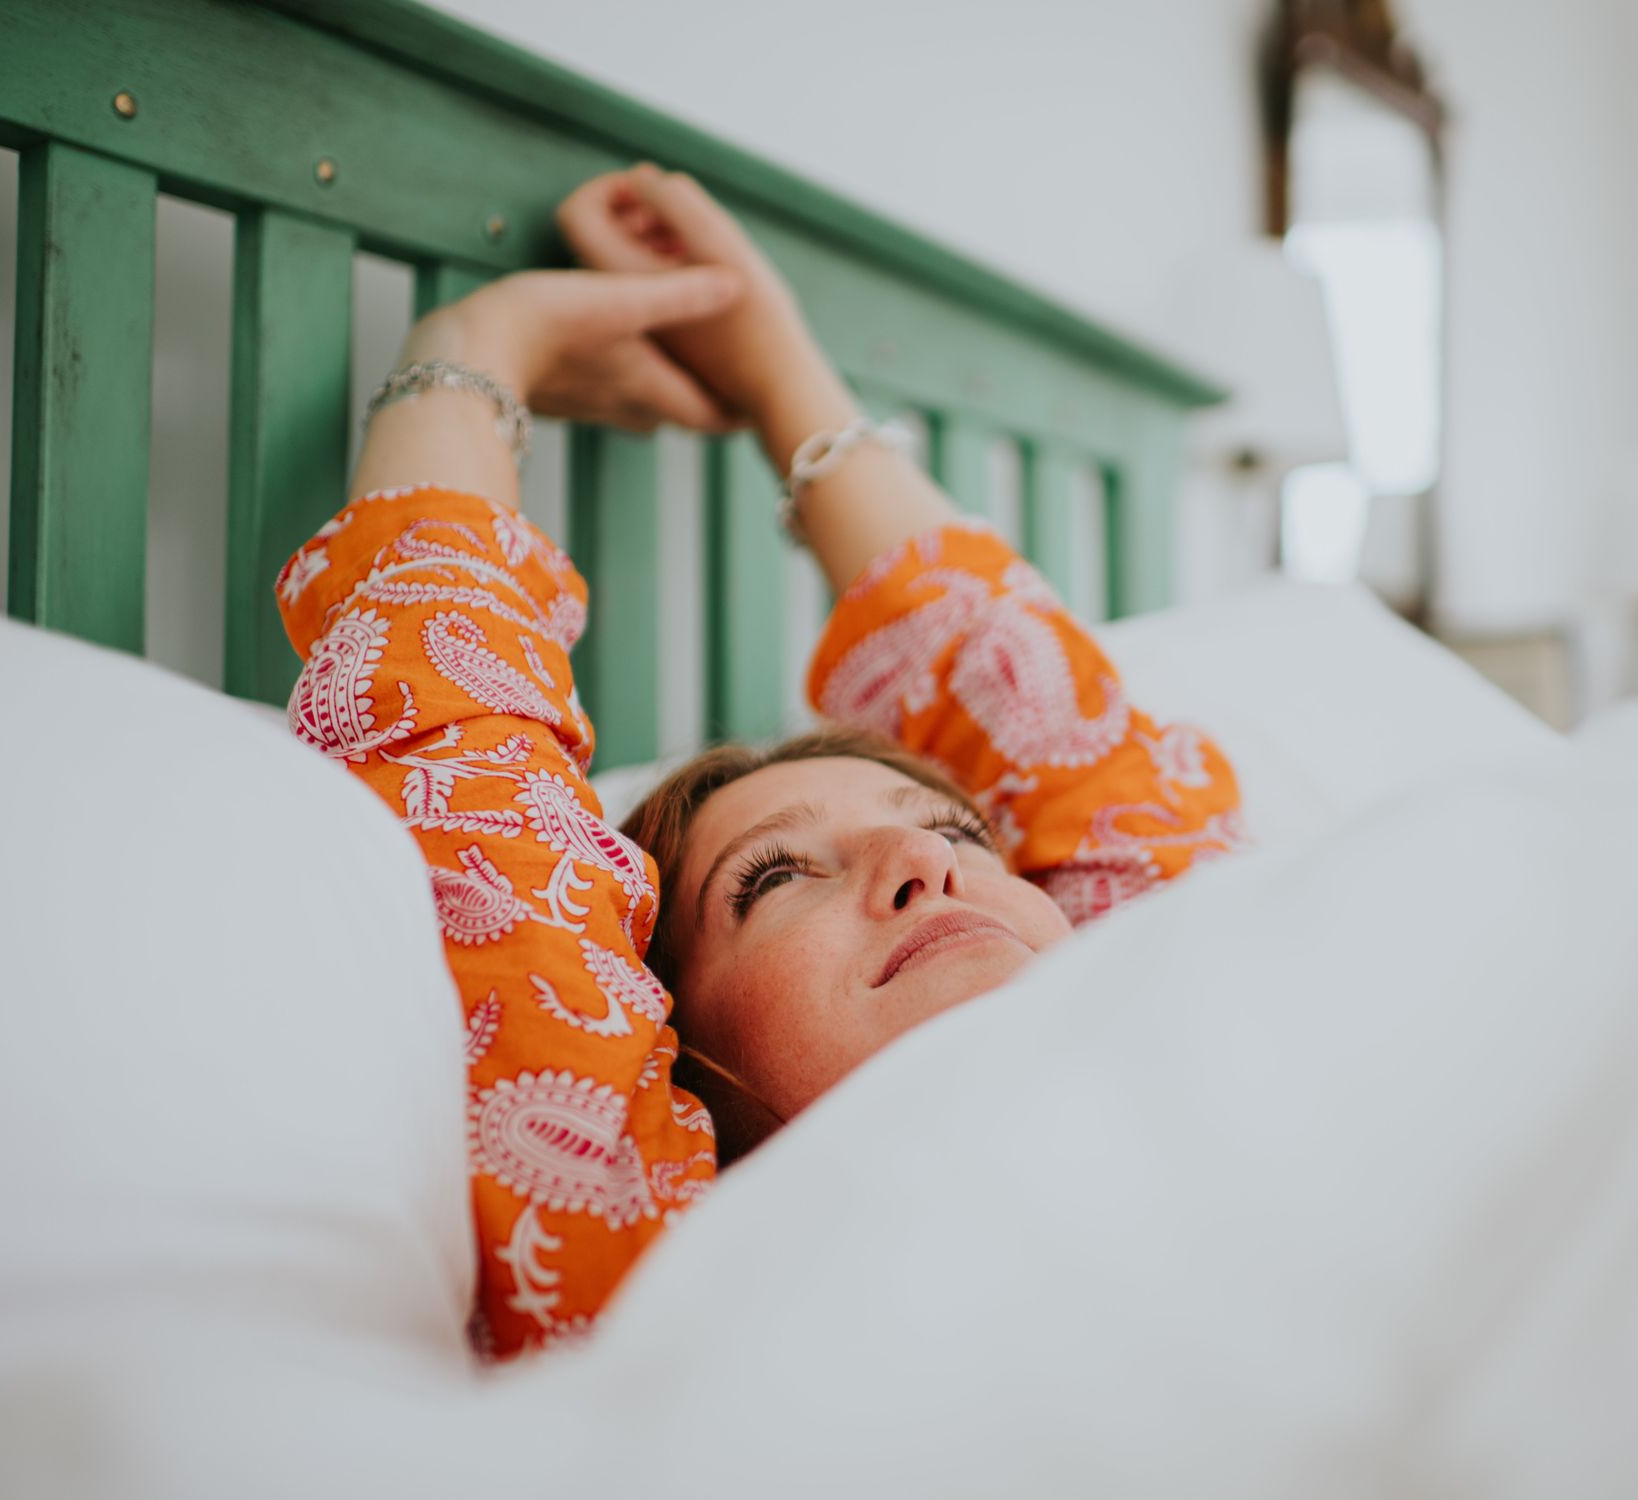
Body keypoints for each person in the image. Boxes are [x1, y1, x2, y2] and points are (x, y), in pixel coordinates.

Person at [277, 164, 1244, 1360]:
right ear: (677, 1061)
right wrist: (478, 342)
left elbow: (1061, 734)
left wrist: (778, 369)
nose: (912, 857)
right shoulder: (656, 1266)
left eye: (957, 834)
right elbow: (462, 776)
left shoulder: (1218, 1010)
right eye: (772, 878)